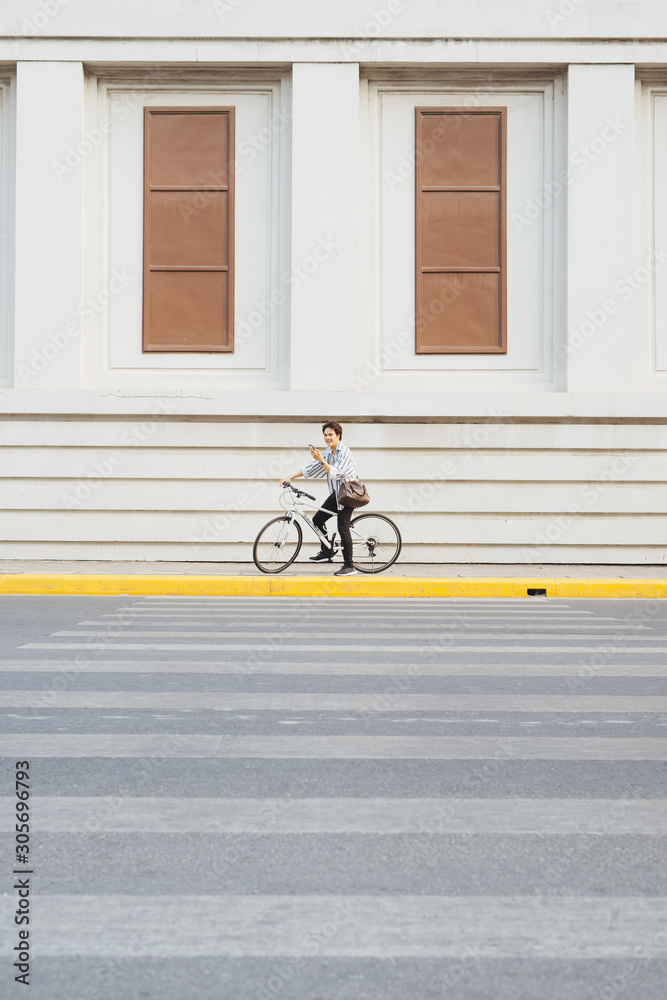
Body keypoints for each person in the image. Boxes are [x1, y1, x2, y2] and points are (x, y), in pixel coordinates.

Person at [281, 420, 358, 576]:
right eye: (325, 435)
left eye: (330, 434)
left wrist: (321, 460)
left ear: (338, 435)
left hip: (348, 494)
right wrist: (290, 477)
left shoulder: (345, 452)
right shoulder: (329, 452)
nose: (327, 438)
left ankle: (350, 566)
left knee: (343, 528)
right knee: (317, 520)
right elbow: (312, 468)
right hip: (337, 494)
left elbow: (338, 472)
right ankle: (328, 551)